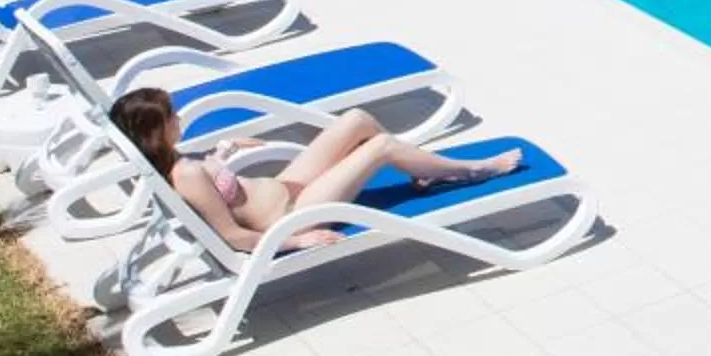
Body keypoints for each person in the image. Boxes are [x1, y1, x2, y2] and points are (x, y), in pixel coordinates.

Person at [112, 90, 522, 252]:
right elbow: (233, 236)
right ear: (153, 133)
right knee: (379, 147)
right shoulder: (184, 175)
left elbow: (218, 190)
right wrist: (298, 240)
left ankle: (425, 170)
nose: (179, 118)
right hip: (292, 215)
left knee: (357, 119)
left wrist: (223, 151)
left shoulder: (172, 161)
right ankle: (472, 169)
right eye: (171, 116)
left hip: (285, 188)